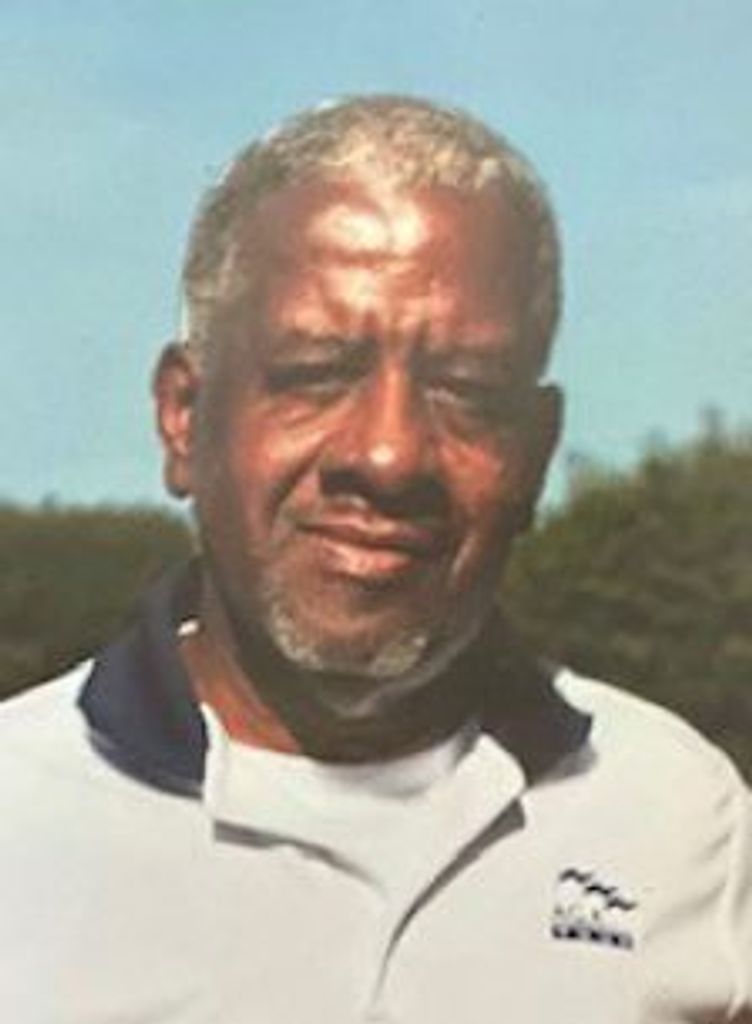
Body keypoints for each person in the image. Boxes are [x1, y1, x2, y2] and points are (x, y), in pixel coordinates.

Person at [0, 95, 750, 1023]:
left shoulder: (685, 820)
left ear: (537, 451)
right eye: (315, 374)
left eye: (467, 390)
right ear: (184, 417)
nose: (389, 455)